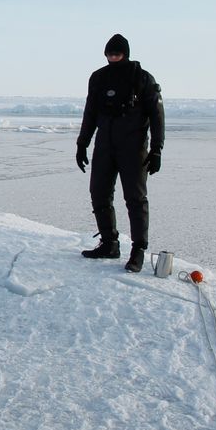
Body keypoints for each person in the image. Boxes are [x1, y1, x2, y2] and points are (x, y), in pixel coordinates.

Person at [75, 33, 164, 272]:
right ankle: (109, 243)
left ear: (126, 54)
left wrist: (157, 149)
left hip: (133, 148)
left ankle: (138, 250)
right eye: (109, 54)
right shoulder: (98, 78)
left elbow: (157, 116)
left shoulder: (142, 79)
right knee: (99, 193)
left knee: (135, 199)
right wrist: (82, 143)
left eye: (117, 53)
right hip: (104, 145)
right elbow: (90, 113)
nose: (113, 58)